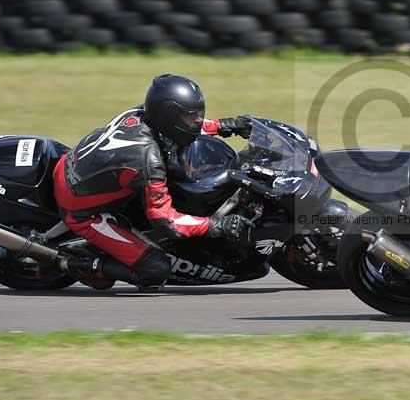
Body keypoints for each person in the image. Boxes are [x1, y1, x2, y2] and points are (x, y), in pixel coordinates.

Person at [53, 74, 257, 290]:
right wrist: (217, 225)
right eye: (192, 116)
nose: (197, 120)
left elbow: (186, 126)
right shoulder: (147, 160)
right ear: (168, 117)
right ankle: (79, 262)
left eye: (198, 114)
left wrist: (226, 125)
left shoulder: (141, 114)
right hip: (82, 212)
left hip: (75, 168)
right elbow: (167, 221)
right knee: (155, 270)